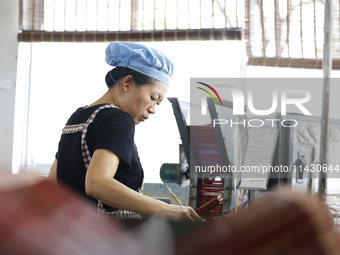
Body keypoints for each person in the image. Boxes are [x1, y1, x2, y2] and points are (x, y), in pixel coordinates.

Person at [48, 41, 201, 222]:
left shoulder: (77, 117)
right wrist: (165, 209)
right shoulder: (119, 119)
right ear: (127, 82)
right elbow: (96, 183)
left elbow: (52, 183)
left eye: (157, 103)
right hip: (105, 239)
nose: (153, 109)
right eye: (153, 98)